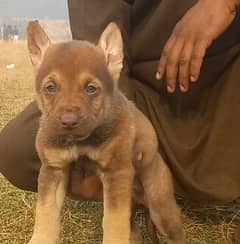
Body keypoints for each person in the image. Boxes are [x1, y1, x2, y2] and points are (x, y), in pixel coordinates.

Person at [1, 0, 240, 206]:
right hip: (143, 92)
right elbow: (101, 55)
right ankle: (137, 180)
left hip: (227, 82)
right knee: (17, 148)